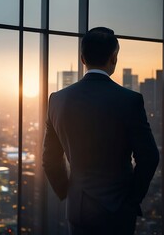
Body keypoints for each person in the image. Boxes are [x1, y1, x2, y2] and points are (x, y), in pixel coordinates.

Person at [42, 27, 159, 235]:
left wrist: (68, 191)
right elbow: (149, 157)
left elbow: (50, 160)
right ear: (114, 58)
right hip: (118, 208)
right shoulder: (130, 100)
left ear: (82, 58)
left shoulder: (57, 100)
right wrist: (132, 199)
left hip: (78, 208)